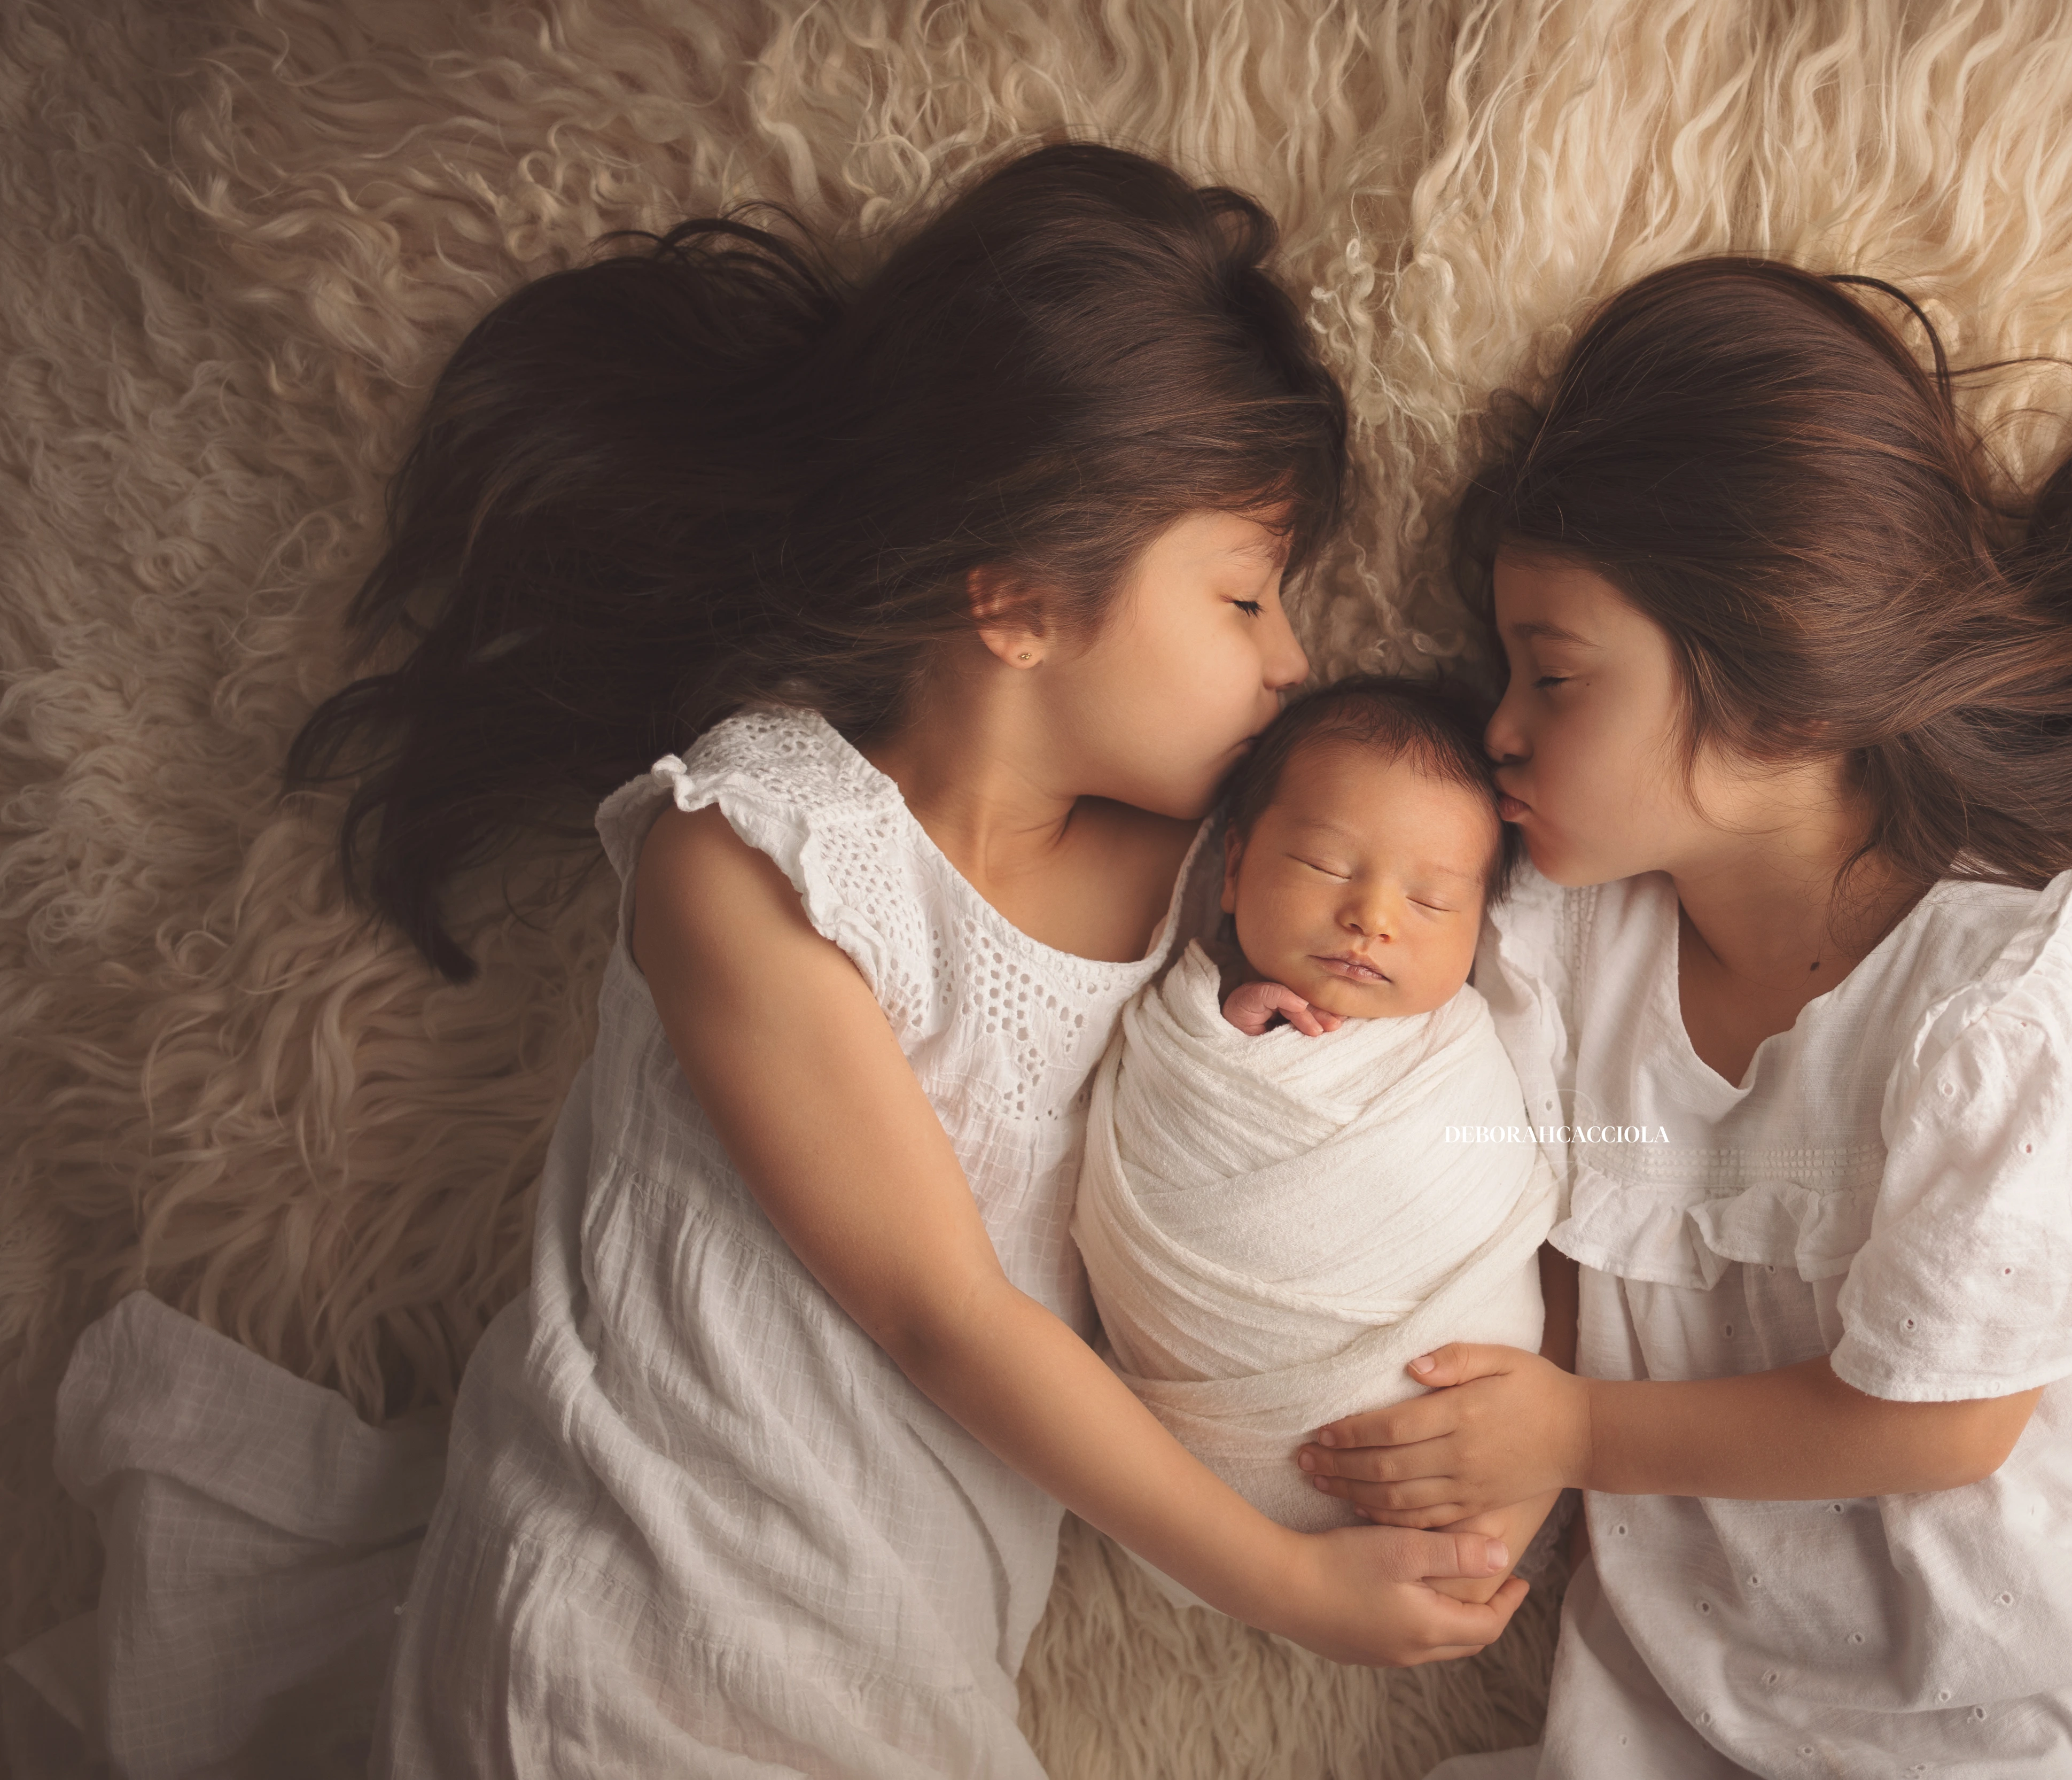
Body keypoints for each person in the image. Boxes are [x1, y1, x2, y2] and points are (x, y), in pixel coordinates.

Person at [287, 143, 1527, 1779]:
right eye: (1241, 594)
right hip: (622, 1624)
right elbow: (943, 1308)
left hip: (903, 1658)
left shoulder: (1212, 873)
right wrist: (1287, 1580)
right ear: (1015, 599)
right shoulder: (757, 851)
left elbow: (1415, 1032)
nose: (1292, 657)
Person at [1294, 258, 2072, 1777]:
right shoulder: (1558, 955)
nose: (1501, 725)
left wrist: (1574, 1437)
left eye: (1556, 674)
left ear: (1774, 685)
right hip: (1721, 1697)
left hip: (2064, 1684)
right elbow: (1550, 1257)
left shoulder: (2018, 1000)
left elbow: (1939, 1427)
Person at [1072, 677, 1562, 1611]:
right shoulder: (1186, 1035)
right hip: (1207, 1491)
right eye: (1329, 866)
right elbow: (1142, 1147)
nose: (1373, 917)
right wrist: (1225, 1036)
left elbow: (1523, 1196)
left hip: (1461, 1444)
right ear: (1231, 868)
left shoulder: (1466, 1045)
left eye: (1429, 901)